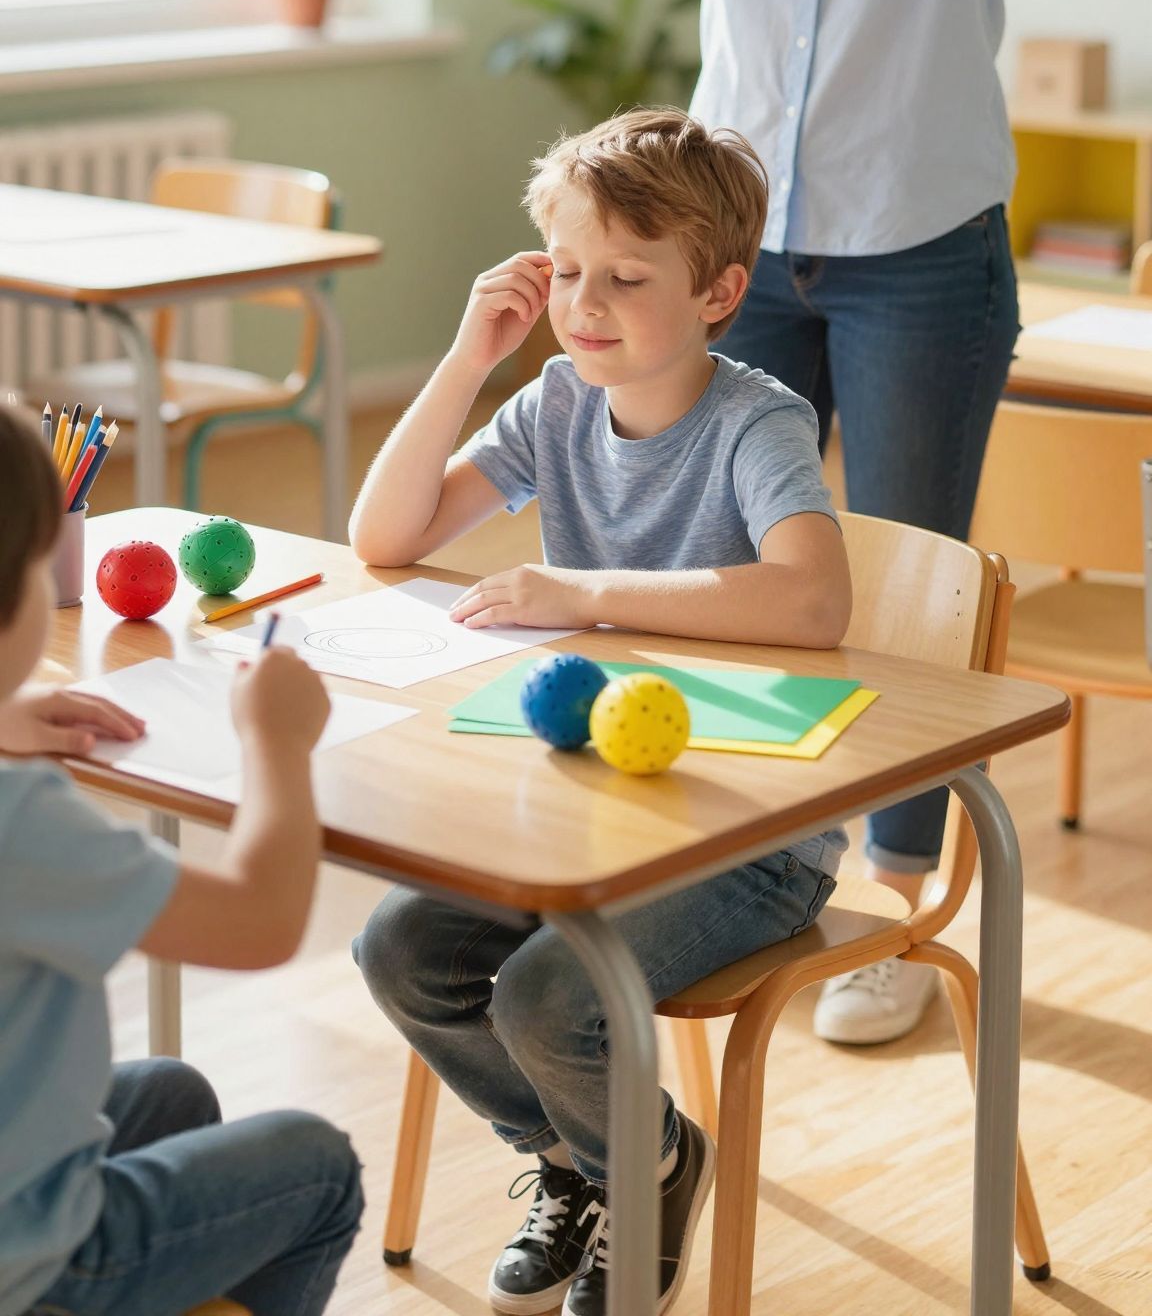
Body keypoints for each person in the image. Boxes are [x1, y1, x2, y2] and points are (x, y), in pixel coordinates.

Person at [562, 0, 1079, 1047]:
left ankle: (898, 905)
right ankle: (737, 868)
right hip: (738, 252)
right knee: (720, 570)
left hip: (920, 246)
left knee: (902, 582)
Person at [349, 108, 852, 1316]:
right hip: (588, 813)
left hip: (749, 834)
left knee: (546, 996)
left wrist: (581, 589)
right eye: (568, 270)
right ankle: (591, 1161)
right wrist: (470, 355)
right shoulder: (559, 405)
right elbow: (384, 534)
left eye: (628, 277)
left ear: (721, 291)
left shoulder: (756, 421)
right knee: (400, 951)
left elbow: (814, 597)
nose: (585, 302)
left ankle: (651, 1166)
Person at [0, 403, 364, 1316]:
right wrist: (274, 743)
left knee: (171, 1094)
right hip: (31, 1261)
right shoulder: (21, 821)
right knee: (317, 1169)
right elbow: (262, 919)